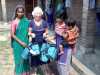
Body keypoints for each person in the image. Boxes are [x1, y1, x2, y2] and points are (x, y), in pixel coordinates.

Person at [28, 6, 53, 75]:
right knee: (34, 57)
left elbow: (47, 31)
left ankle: (46, 71)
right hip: (34, 43)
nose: (38, 15)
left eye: (39, 14)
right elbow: (29, 32)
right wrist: (31, 34)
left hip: (43, 43)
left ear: (41, 14)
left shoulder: (44, 22)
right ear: (34, 15)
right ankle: (34, 71)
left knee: (44, 57)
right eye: (36, 14)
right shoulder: (31, 22)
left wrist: (45, 34)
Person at [11, 5, 30, 75]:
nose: (20, 13)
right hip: (18, 44)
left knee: (25, 59)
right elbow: (12, 35)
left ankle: (25, 73)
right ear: (16, 12)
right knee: (19, 59)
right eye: (19, 12)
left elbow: (28, 31)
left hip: (26, 43)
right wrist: (21, 42)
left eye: (22, 12)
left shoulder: (26, 21)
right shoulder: (14, 22)